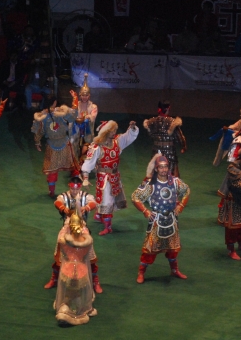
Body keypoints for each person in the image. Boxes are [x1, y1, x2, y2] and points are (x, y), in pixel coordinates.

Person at [132, 154, 190, 283]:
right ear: (156, 168)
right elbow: (135, 197)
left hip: (171, 219)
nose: (164, 169)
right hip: (156, 220)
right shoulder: (150, 184)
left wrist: (181, 206)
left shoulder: (175, 182)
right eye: (161, 167)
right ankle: (141, 272)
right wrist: (145, 211)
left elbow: (186, 191)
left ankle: (174, 270)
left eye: (166, 167)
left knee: (173, 249)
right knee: (149, 249)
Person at [81, 120, 139, 235]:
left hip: (115, 176)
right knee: (106, 201)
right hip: (104, 179)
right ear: (105, 132)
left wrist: (132, 128)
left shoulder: (117, 141)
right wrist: (85, 178)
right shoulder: (97, 147)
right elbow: (89, 162)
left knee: (107, 199)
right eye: (112, 131)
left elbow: (128, 137)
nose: (114, 132)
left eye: (115, 130)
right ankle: (108, 227)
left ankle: (99, 215)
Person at [44, 177, 101, 293]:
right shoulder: (65, 196)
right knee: (60, 248)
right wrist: (62, 208)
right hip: (67, 227)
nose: (74, 191)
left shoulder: (85, 196)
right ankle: (54, 278)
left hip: (82, 227)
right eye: (72, 189)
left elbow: (93, 202)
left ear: (80, 187)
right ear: (69, 186)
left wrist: (86, 207)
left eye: (76, 189)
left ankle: (95, 281)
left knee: (89, 253)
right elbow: (57, 201)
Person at [31, 92, 80, 198]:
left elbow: (38, 131)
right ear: (55, 102)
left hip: (52, 145)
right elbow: (73, 115)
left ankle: (51, 192)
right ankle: (76, 189)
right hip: (65, 144)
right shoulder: (62, 112)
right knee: (73, 166)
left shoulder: (42, 116)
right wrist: (75, 99)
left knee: (52, 170)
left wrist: (37, 142)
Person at [54, 212, 97, 326]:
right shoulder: (87, 241)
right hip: (81, 270)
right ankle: (73, 307)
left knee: (70, 291)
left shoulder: (63, 240)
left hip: (67, 269)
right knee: (76, 291)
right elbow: (86, 255)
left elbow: (63, 251)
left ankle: (68, 305)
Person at [143, 100, 187, 177]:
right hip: (170, 152)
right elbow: (180, 137)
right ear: (168, 109)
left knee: (155, 173)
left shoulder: (151, 122)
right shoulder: (173, 122)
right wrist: (184, 146)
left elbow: (151, 134)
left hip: (156, 151)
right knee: (173, 176)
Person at [72, 74, 98, 163]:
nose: (84, 97)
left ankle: (86, 163)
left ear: (89, 96)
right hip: (77, 130)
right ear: (80, 95)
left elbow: (93, 117)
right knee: (73, 143)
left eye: (86, 95)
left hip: (88, 131)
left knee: (87, 146)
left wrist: (87, 117)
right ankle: (75, 162)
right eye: (83, 95)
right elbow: (72, 114)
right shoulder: (77, 105)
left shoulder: (93, 106)